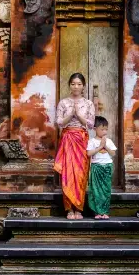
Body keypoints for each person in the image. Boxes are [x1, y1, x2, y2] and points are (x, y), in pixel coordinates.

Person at [54, 72, 95, 219]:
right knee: (68, 173)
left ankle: (78, 208)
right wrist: (70, 115)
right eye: (73, 84)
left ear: (83, 86)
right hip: (68, 139)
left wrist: (79, 115)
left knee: (80, 174)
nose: (76, 86)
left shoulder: (88, 103)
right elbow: (59, 122)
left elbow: (91, 124)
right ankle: (69, 209)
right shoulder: (63, 103)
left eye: (79, 84)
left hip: (82, 140)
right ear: (69, 85)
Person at [86, 116, 116, 219]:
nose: (104, 131)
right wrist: (99, 147)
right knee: (96, 190)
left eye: (106, 129)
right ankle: (97, 212)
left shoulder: (109, 141)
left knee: (106, 190)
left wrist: (105, 146)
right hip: (96, 167)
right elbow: (89, 153)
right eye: (102, 129)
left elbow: (113, 153)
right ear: (95, 129)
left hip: (107, 167)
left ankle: (105, 211)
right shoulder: (92, 141)